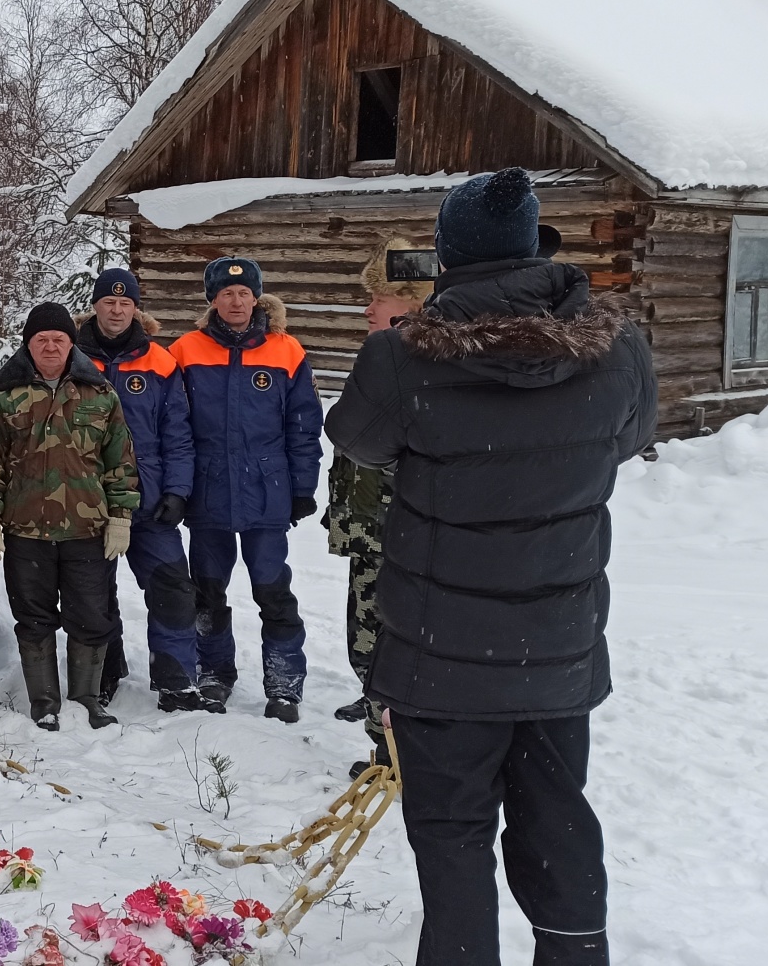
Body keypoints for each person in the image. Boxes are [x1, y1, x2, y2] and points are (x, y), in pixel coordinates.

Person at [326, 168, 656, 966]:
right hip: (555, 648)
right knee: (557, 816)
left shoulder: (403, 358)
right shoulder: (618, 354)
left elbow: (357, 436)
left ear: (447, 253)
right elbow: (631, 435)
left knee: (451, 835)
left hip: (441, 660)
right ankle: (575, 953)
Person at [0, 303, 138, 731]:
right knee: (34, 617)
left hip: (88, 530)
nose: (49, 346)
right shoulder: (4, 396)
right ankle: (44, 702)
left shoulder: (99, 393)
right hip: (25, 530)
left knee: (91, 616)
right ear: (28, 344)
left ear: (71, 343)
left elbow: (120, 459)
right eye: (40, 339)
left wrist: (121, 515)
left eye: (58, 339)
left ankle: (86, 700)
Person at [169, 257, 323, 722]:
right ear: (211, 300)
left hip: (267, 490)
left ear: (257, 298)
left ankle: (284, 683)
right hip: (208, 490)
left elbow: (304, 426)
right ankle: (215, 673)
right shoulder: (185, 351)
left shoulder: (285, 350)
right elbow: (171, 423)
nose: (236, 301)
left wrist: (302, 486)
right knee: (208, 592)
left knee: (274, 593)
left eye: (244, 293)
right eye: (226, 294)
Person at [322, 240, 429, 777]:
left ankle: (392, 759)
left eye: (378, 298)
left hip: (396, 536)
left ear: (408, 302)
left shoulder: (412, 364)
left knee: (379, 645)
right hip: (375, 532)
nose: (367, 309)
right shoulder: (395, 357)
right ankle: (382, 729)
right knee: (373, 642)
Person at [74, 269, 201, 711]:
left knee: (172, 588)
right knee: (94, 594)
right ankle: (105, 673)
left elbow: (178, 433)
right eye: (108, 301)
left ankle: (176, 679)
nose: (116, 309)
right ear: (95, 305)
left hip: (148, 502)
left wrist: (178, 489)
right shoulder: (70, 357)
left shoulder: (160, 362)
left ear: (136, 308)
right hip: (87, 500)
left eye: (125, 302)